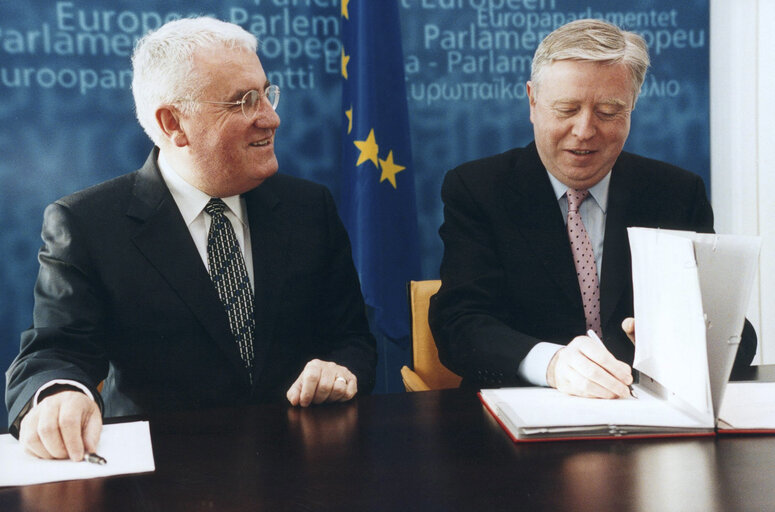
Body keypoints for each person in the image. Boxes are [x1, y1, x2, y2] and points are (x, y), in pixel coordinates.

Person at [5, 17, 376, 461]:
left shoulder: (309, 207)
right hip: (167, 468)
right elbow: (55, 352)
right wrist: (59, 395)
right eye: (244, 102)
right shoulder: (86, 224)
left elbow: (352, 338)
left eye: (266, 93)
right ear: (173, 123)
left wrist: (341, 370)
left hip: (301, 459)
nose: (271, 118)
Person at [428, 19, 756, 399]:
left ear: (632, 107)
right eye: (567, 109)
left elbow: (737, 336)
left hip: (646, 419)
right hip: (520, 418)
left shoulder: (676, 193)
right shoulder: (479, 189)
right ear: (533, 102)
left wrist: (685, 341)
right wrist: (550, 364)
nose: (584, 130)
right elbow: (460, 323)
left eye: (608, 111)